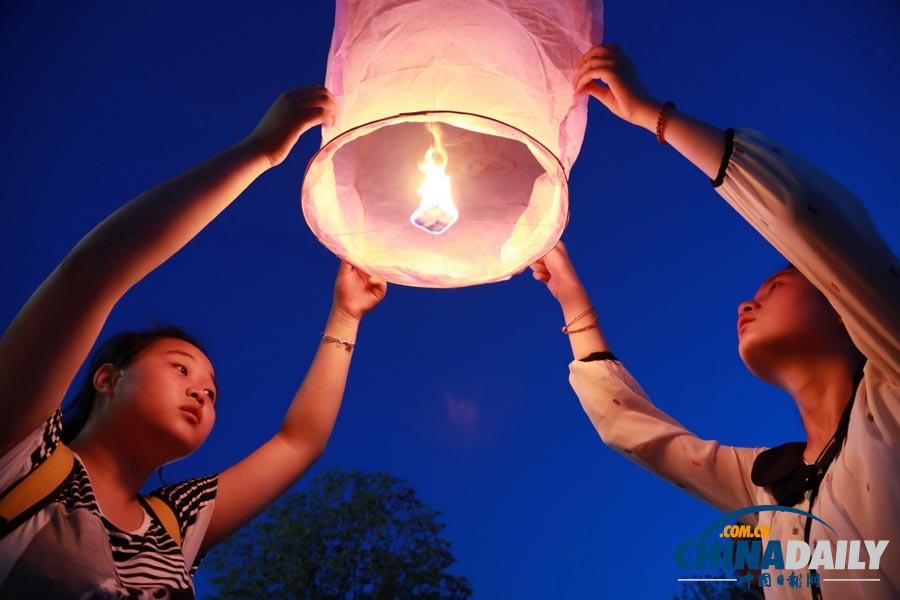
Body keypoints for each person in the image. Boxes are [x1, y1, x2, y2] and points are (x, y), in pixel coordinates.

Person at [530, 44, 900, 599]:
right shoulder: (767, 490)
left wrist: (655, 116)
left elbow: (806, 216)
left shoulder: (891, 396)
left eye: (775, 286)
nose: (743, 306)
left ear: (840, 301)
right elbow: (633, 430)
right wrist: (571, 299)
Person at [0, 86, 387, 598]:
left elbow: (297, 442)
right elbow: (91, 274)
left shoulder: (175, 525)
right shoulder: (24, 456)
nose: (204, 393)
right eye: (181, 368)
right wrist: (260, 151)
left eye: (211, 390)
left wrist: (346, 314)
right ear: (108, 378)